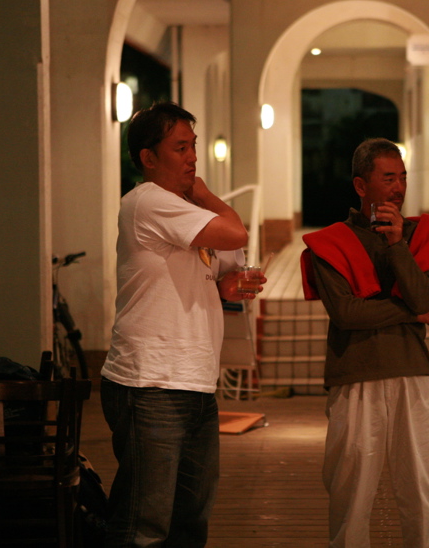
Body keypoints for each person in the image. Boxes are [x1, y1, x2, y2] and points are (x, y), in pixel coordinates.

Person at [100, 101, 264, 547]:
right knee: (143, 524)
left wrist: (226, 287)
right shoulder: (148, 201)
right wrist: (206, 195)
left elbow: (207, 274)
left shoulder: (179, 210)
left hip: (193, 381)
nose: (193, 157)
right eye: (180, 148)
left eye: (193, 146)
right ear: (148, 158)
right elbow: (236, 233)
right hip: (151, 383)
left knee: (190, 520)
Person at [300, 137, 429, 547]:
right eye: (388, 178)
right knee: (350, 494)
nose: (399, 188)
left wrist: (397, 245)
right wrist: (410, 314)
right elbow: (347, 315)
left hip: (411, 372)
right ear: (361, 186)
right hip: (355, 375)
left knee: (421, 490)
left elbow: (424, 297)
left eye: (403, 177)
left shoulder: (422, 236)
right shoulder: (330, 243)